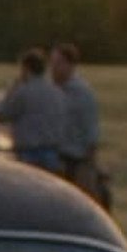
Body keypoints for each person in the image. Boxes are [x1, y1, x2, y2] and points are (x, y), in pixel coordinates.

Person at [50, 41, 107, 205]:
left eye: (58, 63)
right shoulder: (50, 90)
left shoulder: (82, 93)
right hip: (54, 156)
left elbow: (91, 129)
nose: (53, 68)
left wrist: (89, 164)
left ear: (70, 66)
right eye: (52, 63)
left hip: (75, 159)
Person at [0, 48, 68, 173]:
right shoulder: (57, 92)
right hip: (52, 154)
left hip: (29, 154)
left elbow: (0, 115)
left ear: (26, 68)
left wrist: (11, 90)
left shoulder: (23, 92)